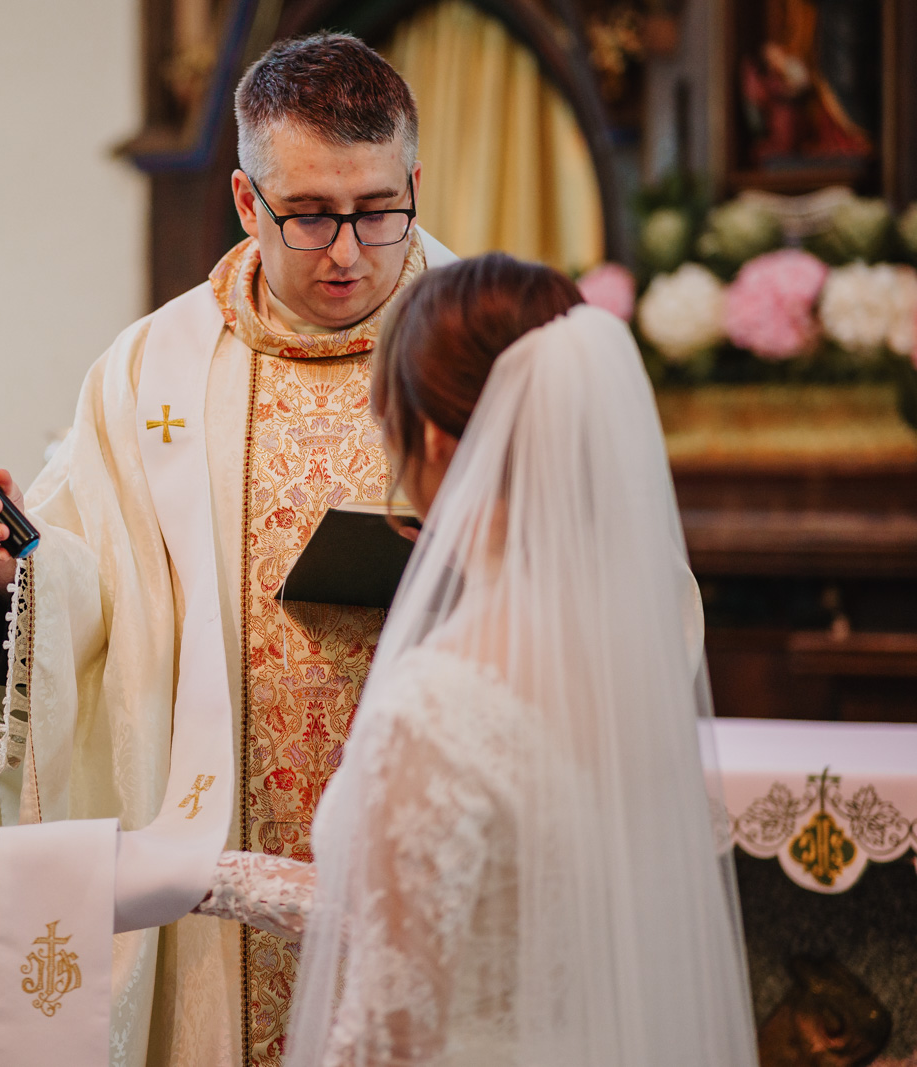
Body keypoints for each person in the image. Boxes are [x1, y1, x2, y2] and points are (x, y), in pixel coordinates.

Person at [0, 33, 455, 1067]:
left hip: (435, 826)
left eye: (377, 209)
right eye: (306, 214)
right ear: (246, 203)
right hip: (225, 866)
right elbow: (86, 591)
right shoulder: (147, 371)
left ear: (415, 184)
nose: (346, 250)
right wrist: (11, 565)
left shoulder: (483, 341)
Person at [195, 254, 759, 1066]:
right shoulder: (632, 661)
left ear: (426, 434)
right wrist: (233, 880)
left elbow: (386, 1034)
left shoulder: (441, 703)